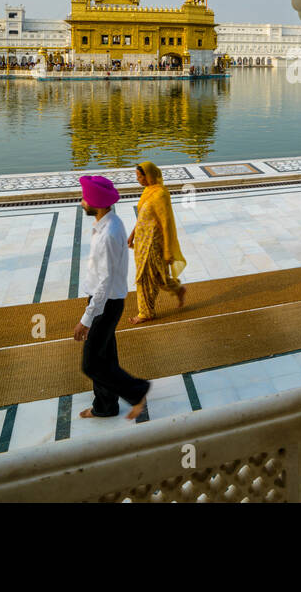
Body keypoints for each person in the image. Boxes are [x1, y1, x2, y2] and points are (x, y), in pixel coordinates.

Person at [73, 175, 148, 421]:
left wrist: (86, 318)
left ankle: (137, 391)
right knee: (105, 355)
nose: (82, 201)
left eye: (85, 198)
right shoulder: (111, 222)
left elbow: (104, 283)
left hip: (105, 304)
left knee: (91, 363)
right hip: (107, 301)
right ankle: (105, 405)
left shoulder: (107, 234)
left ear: (95, 202)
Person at [128, 161, 188, 323]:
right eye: (138, 176)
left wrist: (168, 251)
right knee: (158, 275)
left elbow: (166, 224)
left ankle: (146, 312)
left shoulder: (160, 195)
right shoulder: (148, 191)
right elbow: (142, 216)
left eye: (140, 176)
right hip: (142, 241)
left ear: (150, 175)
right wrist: (132, 234)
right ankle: (178, 289)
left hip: (153, 244)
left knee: (145, 277)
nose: (138, 179)